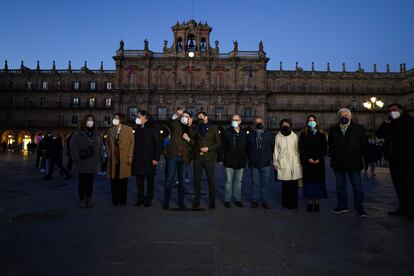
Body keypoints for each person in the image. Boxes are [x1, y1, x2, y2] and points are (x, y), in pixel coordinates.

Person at [376, 103, 414, 220]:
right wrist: (386, 122)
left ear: (401, 110)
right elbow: (379, 134)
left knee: (409, 185)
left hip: (407, 158)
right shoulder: (390, 123)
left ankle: (412, 211)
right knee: (398, 185)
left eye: (395, 109)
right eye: (390, 110)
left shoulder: (410, 121)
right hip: (393, 159)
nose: (392, 112)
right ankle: (403, 208)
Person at [328, 108, 368, 217]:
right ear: (339, 117)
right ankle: (342, 206)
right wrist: (334, 156)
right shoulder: (334, 129)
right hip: (338, 163)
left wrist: (366, 160)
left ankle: (359, 207)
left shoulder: (358, 129)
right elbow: (330, 145)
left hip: (354, 162)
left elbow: (364, 145)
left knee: (357, 186)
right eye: (342, 115)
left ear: (350, 116)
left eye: (347, 115)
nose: (345, 116)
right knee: (340, 186)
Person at [70, 114, 104, 208]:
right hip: (82, 162)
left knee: (90, 183)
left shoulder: (96, 134)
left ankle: (89, 199)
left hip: (93, 163)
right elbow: (72, 146)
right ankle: (82, 200)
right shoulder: (78, 133)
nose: (90, 122)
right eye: (89, 120)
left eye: (92, 120)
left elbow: (101, 146)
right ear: (84, 121)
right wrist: (76, 158)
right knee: (82, 182)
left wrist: (102, 158)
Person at [164, 108, 194, 210]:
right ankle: (166, 202)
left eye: (186, 117)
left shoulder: (192, 128)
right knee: (169, 180)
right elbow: (168, 122)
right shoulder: (176, 124)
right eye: (183, 116)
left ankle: (181, 202)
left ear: (190, 119)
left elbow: (194, 142)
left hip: (184, 158)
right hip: (173, 155)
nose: (184, 118)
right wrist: (176, 114)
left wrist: (189, 128)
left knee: (181, 181)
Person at [191, 111, 221, 209]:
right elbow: (193, 139)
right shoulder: (196, 127)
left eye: (201, 117)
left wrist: (209, 148)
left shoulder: (214, 128)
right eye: (198, 117)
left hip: (209, 157)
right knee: (196, 181)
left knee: (211, 181)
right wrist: (190, 125)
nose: (199, 118)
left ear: (206, 117)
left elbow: (218, 143)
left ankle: (212, 202)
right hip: (198, 158)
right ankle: (197, 201)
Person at [132, 110, 161, 207]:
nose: (137, 118)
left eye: (139, 116)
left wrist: (156, 158)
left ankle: (148, 199)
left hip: (149, 158)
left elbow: (158, 144)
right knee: (139, 179)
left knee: (149, 180)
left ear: (145, 117)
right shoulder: (138, 128)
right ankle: (140, 198)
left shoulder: (153, 128)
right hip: (138, 158)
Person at [298, 115, 328, 212]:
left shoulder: (322, 134)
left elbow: (324, 148)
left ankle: (317, 203)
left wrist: (319, 159)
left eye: (313, 120)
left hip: (319, 163)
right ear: (307, 122)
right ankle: (310, 202)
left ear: (316, 121)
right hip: (308, 163)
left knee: (318, 182)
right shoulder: (303, 134)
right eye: (310, 121)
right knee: (309, 182)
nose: (311, 122)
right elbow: (301, 148)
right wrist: (308, 158)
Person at [219, 114, 247, 208]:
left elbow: (247, 147)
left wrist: (246, 159)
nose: (234, 121)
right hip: (229, 160)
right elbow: (221, 146)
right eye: (232, 119)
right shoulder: (226, 132)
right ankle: (227, 200)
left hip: (241, 161)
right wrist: (220, 159)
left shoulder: (244, 132)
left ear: (240, 121)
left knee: (238, 182)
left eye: (236, 119)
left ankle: (237, 199)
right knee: (228, 182)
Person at [246, 117, 275, 209]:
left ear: (264, 123)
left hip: (265, 162)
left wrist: (273, 160)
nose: (259, 124)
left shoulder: (269, 134)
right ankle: (255, 201)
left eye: (261, 122)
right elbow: (247, 149)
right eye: (257, 122)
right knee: (255, 183)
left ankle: (265, 201)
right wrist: (248, 161)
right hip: (254, 162)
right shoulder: (250, 135)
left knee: (265, 183)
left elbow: (273, 148)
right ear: (254, 124)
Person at [106, 113, 135, 206]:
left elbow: (132, 144)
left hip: (124, 158)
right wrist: (109, 153)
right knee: (114, 180)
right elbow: (107, 144)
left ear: (121, 119)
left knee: (123, 180)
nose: (114, 119)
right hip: (114, 158)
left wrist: (130, 156)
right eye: (114, 118)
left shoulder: (128, 129)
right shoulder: (110, 130)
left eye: (116, 118)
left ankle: (123, 200)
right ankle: (115, 200)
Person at [273, 119, 302, 210]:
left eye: (287, 124)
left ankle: (294, 204)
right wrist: (275, 163)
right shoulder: (278, 136)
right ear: (281, 126)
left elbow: (298, 149)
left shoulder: (295, 136)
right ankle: (286, 203)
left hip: (294, 162)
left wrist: (300, 161)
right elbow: (276, 151)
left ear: (290, 126)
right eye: (283, 125)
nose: (285, 126)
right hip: (283, 162)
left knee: (294, 185)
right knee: (285, 185)